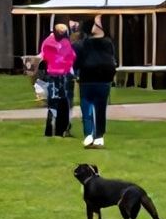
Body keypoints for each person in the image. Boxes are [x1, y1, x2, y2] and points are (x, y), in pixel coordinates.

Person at [76, 18, 117, 149]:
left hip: (90, 79)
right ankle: (95, 135)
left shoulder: (83, 44)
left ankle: (93, 135)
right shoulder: (107, 43)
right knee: (95, 108)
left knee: (90, 107)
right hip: (100, 79)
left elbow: (76, 61)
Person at [39, 23, 77, 137]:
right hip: (63, 75)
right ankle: (62, 130)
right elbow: (71, 56)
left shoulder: (47, 42)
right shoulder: (65, 42)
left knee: (53, 103)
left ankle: (50, 129)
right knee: (64, 103)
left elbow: (44, 56)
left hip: (52, 75)